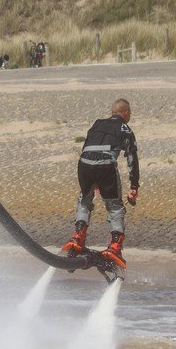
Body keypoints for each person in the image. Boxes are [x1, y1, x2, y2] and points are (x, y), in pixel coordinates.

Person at [61, 98, 140, 269]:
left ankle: (78, 237)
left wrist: (93, 178)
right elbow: (132, 159)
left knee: (84, 199)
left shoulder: (97, 123)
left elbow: (86, 146)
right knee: (115, 207)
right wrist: (134, 187)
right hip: (105, 165)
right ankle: (115, 247)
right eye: (129, 113)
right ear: (125, 113)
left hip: (84, 163)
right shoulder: (126, 129)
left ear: (112, 112)